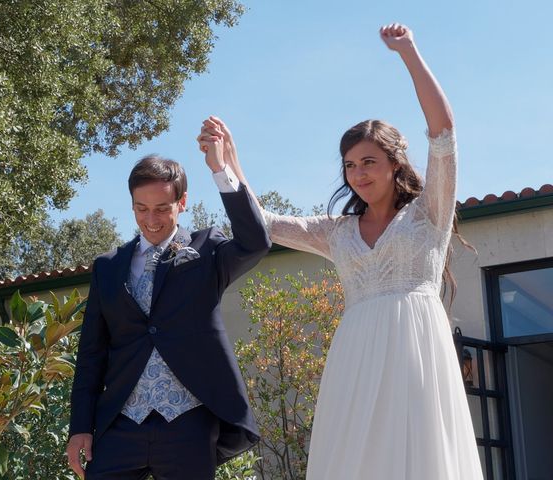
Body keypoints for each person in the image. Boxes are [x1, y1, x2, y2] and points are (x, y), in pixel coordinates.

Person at [198, 23, 483, 480]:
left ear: (395, 163)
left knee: (418, 455)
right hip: (356, 354)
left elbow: (443, 131)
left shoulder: (429, 213)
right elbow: (264, 222)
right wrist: (227, 163)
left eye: (369, 161)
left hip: (417, 349)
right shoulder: (337, 232)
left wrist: (408, 51)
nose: (358, 173)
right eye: (350, 165)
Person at [66, 134, 271, 478]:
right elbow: (91, 354)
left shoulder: (207, 250)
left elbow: (255, 242)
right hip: (120, 424)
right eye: (141, 209)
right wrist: (80, 427)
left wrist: (220, 168)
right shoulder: (108, 266)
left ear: (182, 202)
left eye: (162, 208)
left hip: (188, 423)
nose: (152, 220)